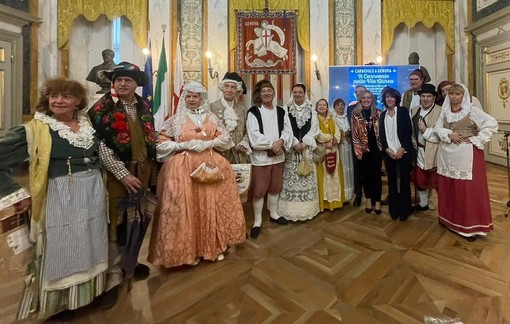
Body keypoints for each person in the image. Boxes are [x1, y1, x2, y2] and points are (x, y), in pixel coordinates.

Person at [0, 78, 108, 321]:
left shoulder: (86, 123)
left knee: (91, 240)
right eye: (53, 96)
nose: (59, 101)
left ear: (78, 102)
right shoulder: (35, 129)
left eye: (66, 96)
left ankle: (87, 295)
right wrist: (17, 194)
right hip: (60, 194)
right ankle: (58, 303)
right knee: (62, 245)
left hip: (92, 192)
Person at [147, 81, 246, 266]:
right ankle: (187, 252)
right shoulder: (176, 119)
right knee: (186, 207)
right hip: (183, 167)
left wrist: (208, 144)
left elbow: (225, 138)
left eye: (195, 96)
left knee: (210, 205)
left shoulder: (211, 118)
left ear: (202, 98)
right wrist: (182, 145)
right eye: (189, 96)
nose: (191, 99)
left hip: (209, 166)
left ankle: (213, 247)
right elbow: (160, 142)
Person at [89, 61, 157, 308]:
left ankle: (130, 262)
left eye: (128, 79)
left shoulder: (143, 105)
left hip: (143, 171)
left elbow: (149, 137)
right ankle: (113, 278)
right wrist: (122, 174)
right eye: (119, 79)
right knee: (116, 223)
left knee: (137, 219)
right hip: (119, 177)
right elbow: (100, 146)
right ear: (113, 82)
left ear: (137, 83)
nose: (123, 83)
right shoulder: (101, 108)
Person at [433, 83, 498, 242]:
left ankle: (469, 226)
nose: (454, 97)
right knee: (450, 187)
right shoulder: (445, 111)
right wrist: (449, 133)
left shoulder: (471, 110)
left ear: (464, 95)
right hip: (447, 155)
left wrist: (476, 138)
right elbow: (437, 127)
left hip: (466, 155)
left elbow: (491, 123)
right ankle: (449, 220)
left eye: (457, 94)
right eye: (451, 94)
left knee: (467, 191)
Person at [246, 80, 293, 238]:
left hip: (278, 157)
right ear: (259, 94)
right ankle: (257, 221)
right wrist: (272, 145)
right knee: (259, 190)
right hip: (261, 158)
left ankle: (274, 214)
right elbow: (254, 135)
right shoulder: (254, 111)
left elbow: (288, 130)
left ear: (274, 93)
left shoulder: (281, 111)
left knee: (275, 187)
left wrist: (281, 142)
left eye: (269, 91)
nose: (266, 93)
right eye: (263, 91)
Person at [277, 84, 320, 221]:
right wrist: (295, 142)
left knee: (306, 175)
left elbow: (315, 129)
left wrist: (304, 142)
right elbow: (286, 128)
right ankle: (290, 210)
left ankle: (307, 209)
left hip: (306, 150)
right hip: (292, 149)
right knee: (291, 177)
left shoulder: (312, 110)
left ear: (304, 93)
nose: (297, 94)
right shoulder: (286, 109)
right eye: (294, 92)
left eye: (300, 92)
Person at [379, 88, 414, 221]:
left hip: (403, 152)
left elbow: (408, 132)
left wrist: (402, 149)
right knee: (392, 181)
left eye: (392, 97)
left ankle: (405, 210)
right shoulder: (383, 115)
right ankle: (394, 209)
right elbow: (382, 135)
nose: (389, 99)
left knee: (405, 181)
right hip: (389, 153)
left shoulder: (403, 111)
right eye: (387, 97)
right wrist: (387, 150)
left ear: (396, 99)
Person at [411, 83, 442, 212]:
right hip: (417, 151)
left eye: (428, 96)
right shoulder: (414, 110)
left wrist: (425, 131)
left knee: (436, 181)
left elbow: (441, 135)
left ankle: (443, 209)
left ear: (434, 97)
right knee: (419, 179)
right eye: (423, 96)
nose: (425, 99)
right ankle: (423, 204)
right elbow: (411, 129)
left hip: (434, 152)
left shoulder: (440, 111)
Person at [351, 90, 383, 214]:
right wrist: (357, 151)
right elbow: (354, 134)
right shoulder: (355, 114)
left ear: (372, 99)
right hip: (363, 150)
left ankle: (378, 200)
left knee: (376, 176)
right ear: (360, 99)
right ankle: (369, 199)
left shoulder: (379, 113)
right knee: (366, 176)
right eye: (364, 98)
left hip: (377, 149)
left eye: (369, 97)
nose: (366, 100)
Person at [209, 72, 250, 164]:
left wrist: (244, 142)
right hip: (218, 154)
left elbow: (247, 131)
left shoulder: (243, 109)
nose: (229, 90)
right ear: (222, 88)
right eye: (226, 86)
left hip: (239, 155)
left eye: (233, 87)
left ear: (238, 91)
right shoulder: (211, 108)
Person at [315, 98, 345, 211]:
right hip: (323, 151)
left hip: (333, 150)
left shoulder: (331, 119)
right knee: (324, 177)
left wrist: (334, 140)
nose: (322, 107)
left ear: (327, 107)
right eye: (320, 105)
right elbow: (318, 134)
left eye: (324, 105)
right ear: (317, 107)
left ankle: (335, 202)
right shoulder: (315, 119)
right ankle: (324, 203)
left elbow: (337, 132)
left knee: (334, 177)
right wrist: (328, 140)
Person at [347, 85, 367, 206]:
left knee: (368, 171)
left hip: (370, 145)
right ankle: (358, 195)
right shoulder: (350, 109)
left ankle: (371, 196)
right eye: (357, 92)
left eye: (361, 92)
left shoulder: (372, 107)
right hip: (355, 145)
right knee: (357, 170)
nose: (359, 93)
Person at [333, 97, 354, 201]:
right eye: (338, 105)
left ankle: (349, 194)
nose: (340, 107)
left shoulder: (348, 117)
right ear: (334, 107)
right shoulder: (333, 118)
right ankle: (341, 194)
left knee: (349, 167)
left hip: (349, 146)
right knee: (341, 168)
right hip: (339, 147)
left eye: (342, 105)